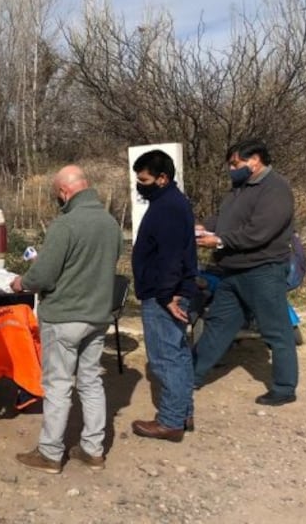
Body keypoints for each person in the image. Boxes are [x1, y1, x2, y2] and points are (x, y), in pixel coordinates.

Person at [9, 165, 121, 473]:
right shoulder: (110, 224)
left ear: (64, 191)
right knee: (91, 382)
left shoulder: (65, 224)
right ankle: (93, 449)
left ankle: (50, 453)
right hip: (97, 316)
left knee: (58, 384)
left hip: (64, 317)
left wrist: (22, 282)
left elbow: (43, 275)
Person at [193, 140, 297, 406]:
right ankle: (191, 375)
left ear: (255, 160)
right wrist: (204, 226)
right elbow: (224, 218)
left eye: (235, 163)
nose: (231, 168)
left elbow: (259, 232)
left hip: (262, 270)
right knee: (218, 324)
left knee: (275, 330)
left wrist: (218, 241)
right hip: (232, 270)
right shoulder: (239, 189)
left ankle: (284, 388)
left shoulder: (276, 189)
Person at [129, 150, 199, 442]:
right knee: (178, 353)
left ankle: (170, 421)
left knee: (165, 357)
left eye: (143, 179)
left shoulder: (168, 207)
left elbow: (171, 257)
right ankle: (182, 412)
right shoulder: (169, 202)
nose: (139, 184)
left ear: (162, 178)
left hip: (163, 295)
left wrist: (167, 295)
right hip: (170, 290)